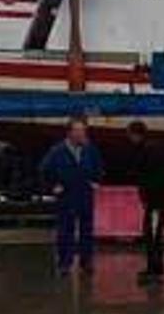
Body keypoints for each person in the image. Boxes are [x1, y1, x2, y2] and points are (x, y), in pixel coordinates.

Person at [40, 117, 103, 275]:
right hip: (66, 196)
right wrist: (52, 186)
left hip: (85, 194)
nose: (82, 134)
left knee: (86, 230)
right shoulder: (57, 151)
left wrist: (95, 181)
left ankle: (86, 262)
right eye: (78, 130)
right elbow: (44, 170)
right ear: (70, 133)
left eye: (83, 130)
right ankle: (64, 263)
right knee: (65, 231)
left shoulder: (90, 149)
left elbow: (99, 166)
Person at [127, 121, 164, 280]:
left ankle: (154, 270)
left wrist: (147, 196)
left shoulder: (147, 150)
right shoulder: (152, 148)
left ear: (135, 134)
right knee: (153, 234)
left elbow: (150, 176)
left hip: (156, 202)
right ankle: (155, 268)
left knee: (152, 235)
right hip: (158, 200)